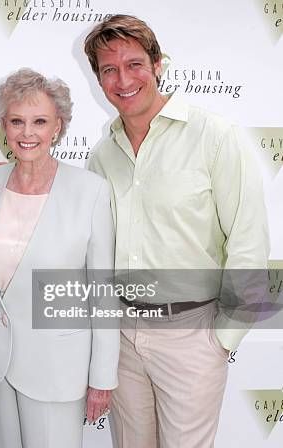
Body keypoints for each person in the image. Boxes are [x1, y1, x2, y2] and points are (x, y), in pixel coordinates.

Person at [83, 15, 269, 448]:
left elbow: (249, 242)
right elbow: (83, 235)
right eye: (109, 69)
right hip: (123, 338)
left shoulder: (216, 137)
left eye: (134, 64)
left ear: (158, 64)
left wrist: (221, 341)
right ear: (98, 78)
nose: (122, 79)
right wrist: (19, 178)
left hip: (192, 335)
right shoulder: (102, 154)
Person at [0, 68, 119, 448]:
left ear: (59, 126)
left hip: (57, 369)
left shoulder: (91, 191)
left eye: (39, 121)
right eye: (17, 121)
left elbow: (103, 293)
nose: (27, 133)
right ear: (3, 124)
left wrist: (102, 377)